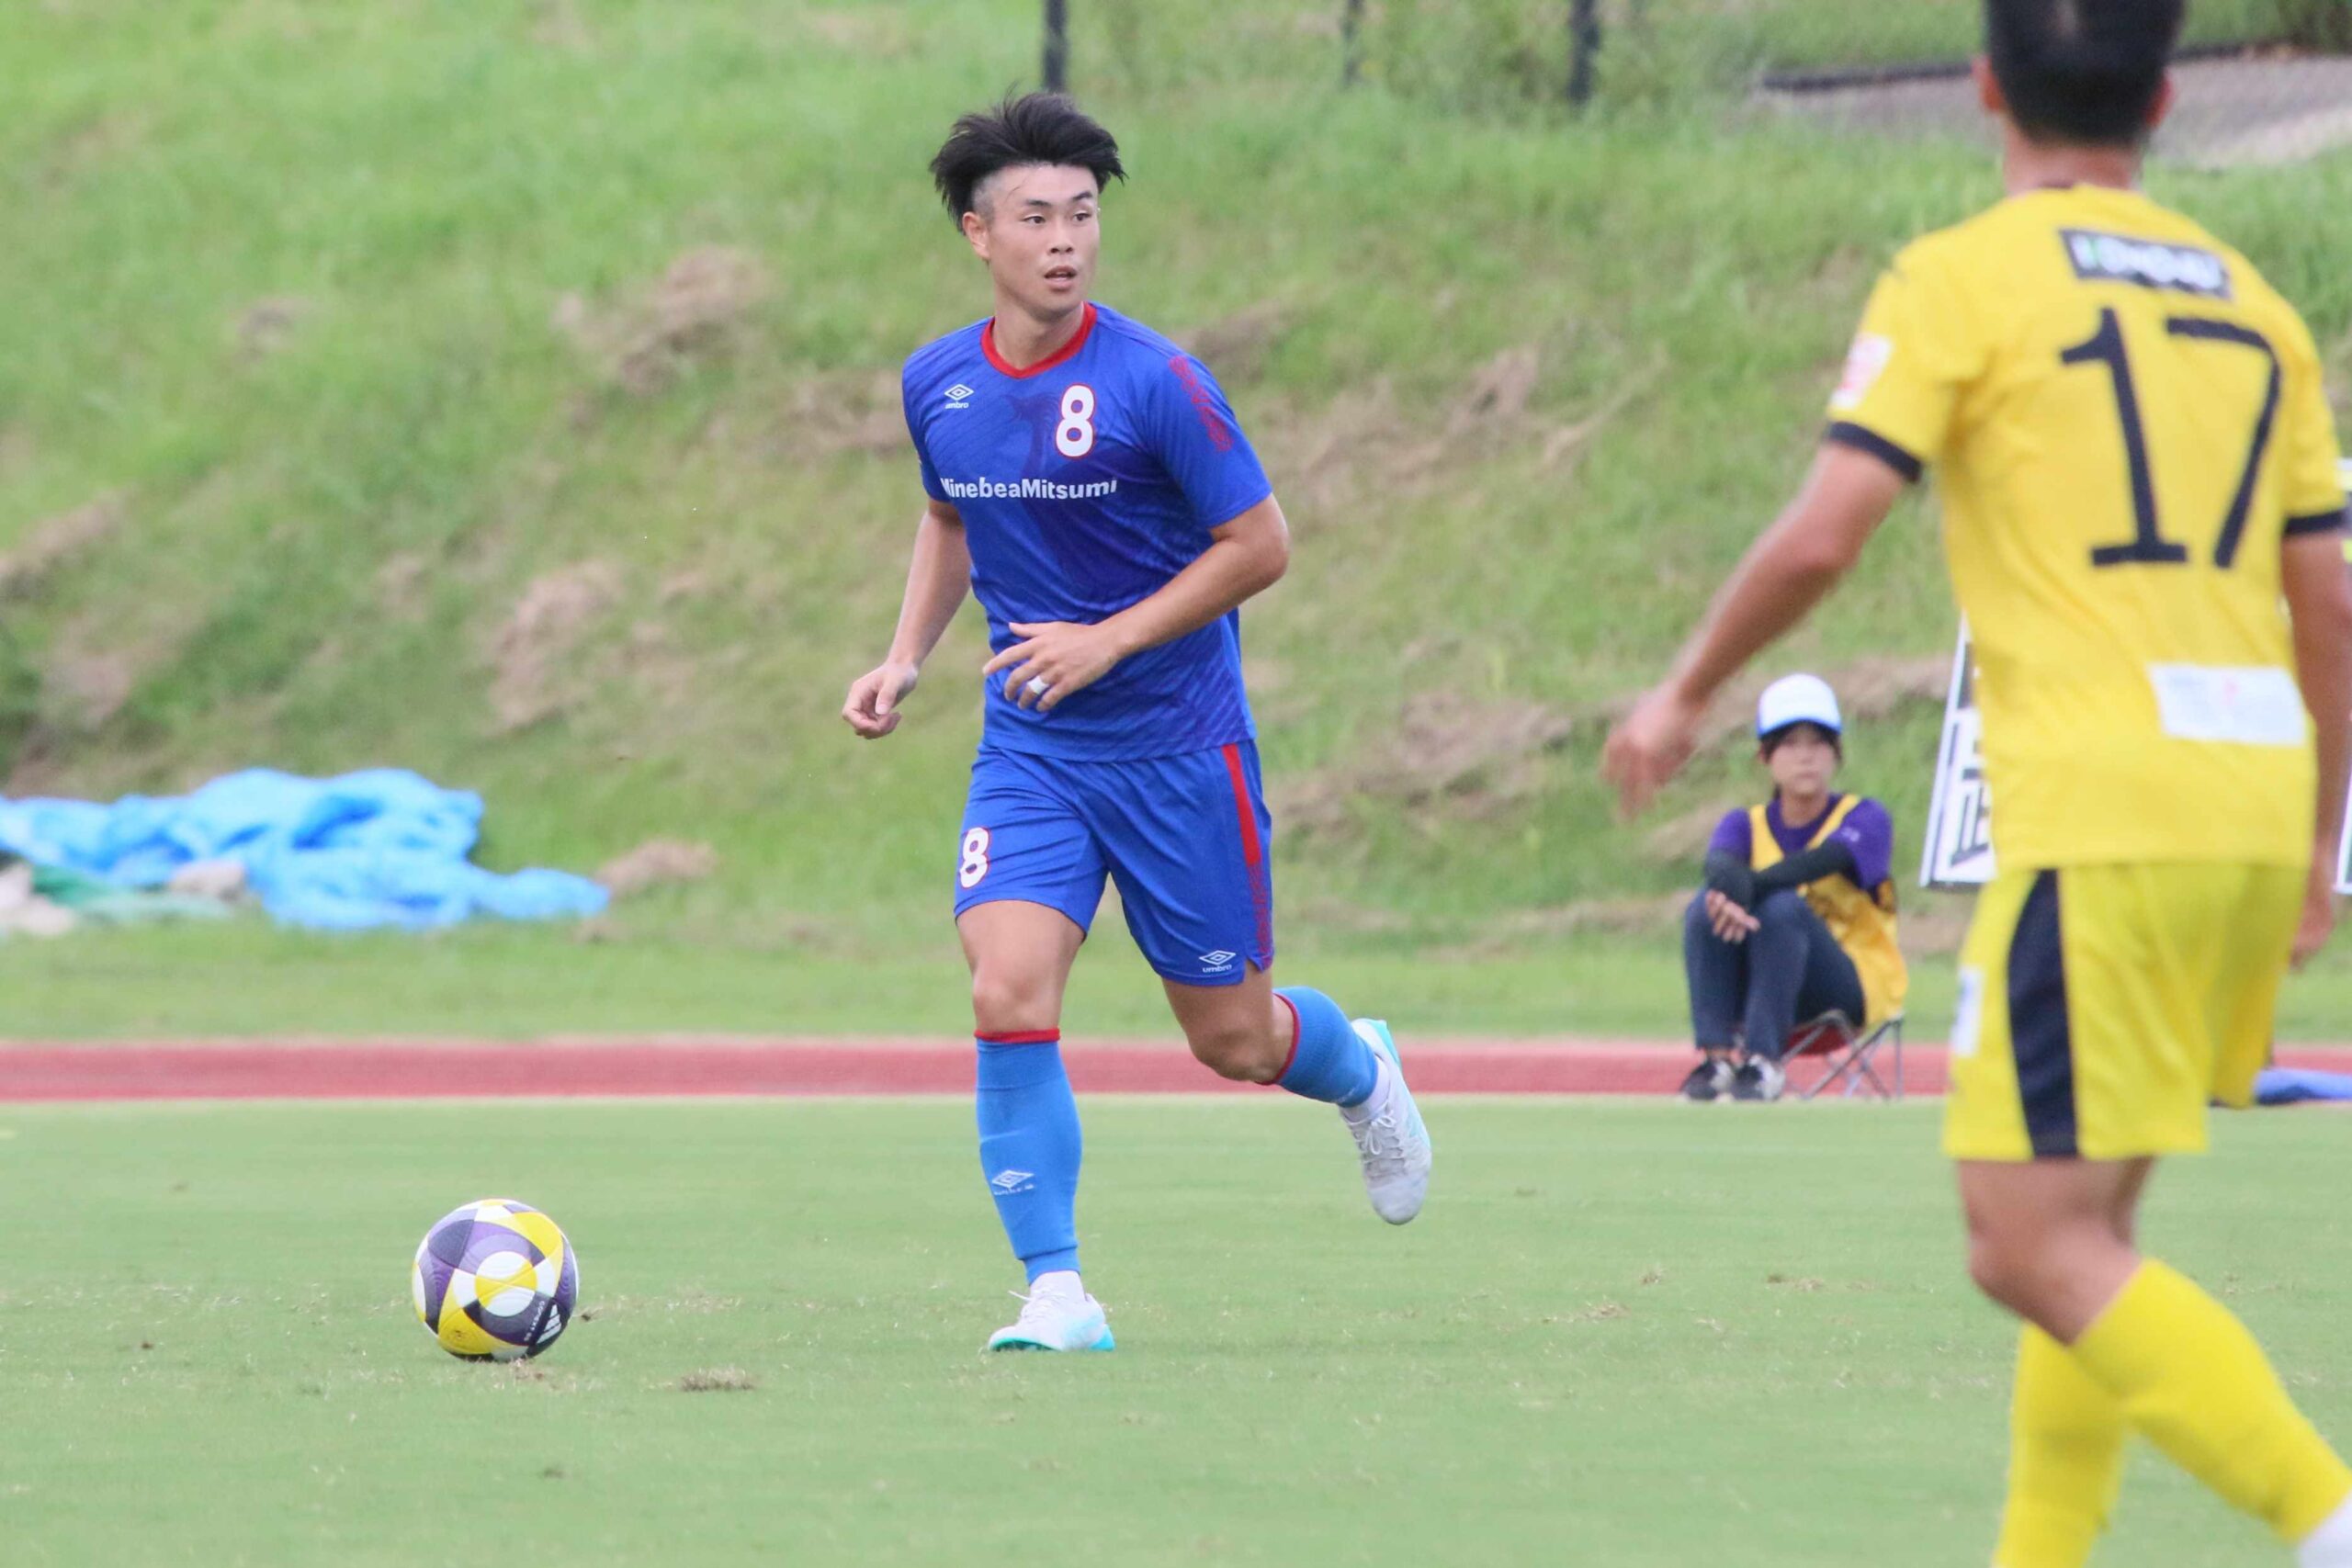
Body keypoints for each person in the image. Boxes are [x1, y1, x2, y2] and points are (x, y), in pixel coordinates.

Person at [1602, 2, 2352, 1562]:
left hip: (2104, 813)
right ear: (2165, 99)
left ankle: (2322, 1511)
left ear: (1984, 87)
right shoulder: (2255, 305)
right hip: (2248, 803)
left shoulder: (1965, 277)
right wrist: (2320, 841)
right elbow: (2331, 603)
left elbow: (1827, 530)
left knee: (2021, 1241)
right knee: (2087, 1231)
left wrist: (1683, 687)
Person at [841, 94, 1431, 1354]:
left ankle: (1357, 1065)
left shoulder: (1158, 381)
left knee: (1236, 1040)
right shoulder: (937, 381)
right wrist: (903, 657)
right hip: (1034, 750)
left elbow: (1260, 544)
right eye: (1036, 218)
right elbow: (949, 518)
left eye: (1083, 215)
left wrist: (1107, 639)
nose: (1065, 240)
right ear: (977, 233)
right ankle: (1058, 1290)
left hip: (1178, 752)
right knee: (1005, 988)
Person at [1680, 673, 1905, 1103]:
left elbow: (1822, 861)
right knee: (1705, 906)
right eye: (1789, 743)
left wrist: (1747, 890)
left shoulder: (1865, 817)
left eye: (1818, 743)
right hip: (1766, 984)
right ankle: (1717, 1060)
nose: (1806, 756)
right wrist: (1730, 895)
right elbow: (1719, 866)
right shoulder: (1744, 824)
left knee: (1782, 909)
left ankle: (1763, 1062)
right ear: (1765, 756)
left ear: (1836, 753)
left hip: (1847, 989)